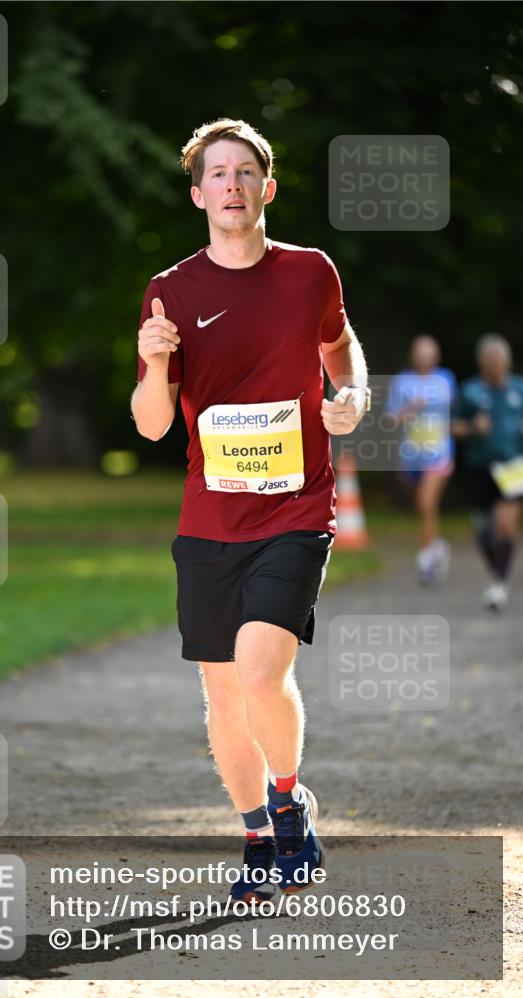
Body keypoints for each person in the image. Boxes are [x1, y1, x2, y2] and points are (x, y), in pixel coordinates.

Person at [130, 118, 370, 902]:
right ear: (198, 193)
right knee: (223, 692)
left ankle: (288, 801)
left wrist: (353, 396)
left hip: (295, 508)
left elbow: (341, 348)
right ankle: (257, 839)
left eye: (244, 173)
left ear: (265, 188)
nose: (231, 186)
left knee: (261, 671)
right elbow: (152, 423)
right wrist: (158, 360)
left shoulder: (310, 273)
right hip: (208, 518)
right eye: (216, 174)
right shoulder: (170, 291)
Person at [453, 334, 523, 610]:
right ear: (482, 363)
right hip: (480, 465)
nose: (495, 366)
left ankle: (499, 583)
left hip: (513, 465)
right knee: (483, 529)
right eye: (490, 361)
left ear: (508, 362)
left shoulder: (519, 388)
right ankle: (496, 575)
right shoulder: (470, 391)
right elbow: (453, 427)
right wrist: (472, 428)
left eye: (500, 361)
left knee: (506, 524)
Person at [385, 335, 456, 585]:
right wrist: (410, 408)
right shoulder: (402, 382)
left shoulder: (446, 379)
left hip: (439, 454)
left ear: (436, 355)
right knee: (423, 508)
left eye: (429, 352)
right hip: (411, 456)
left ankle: (426, 560)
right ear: (412, 355)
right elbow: (390, 420)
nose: (424, 356)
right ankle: (437, 545)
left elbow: (453, 414)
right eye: (420, 352)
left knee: (427, 503)